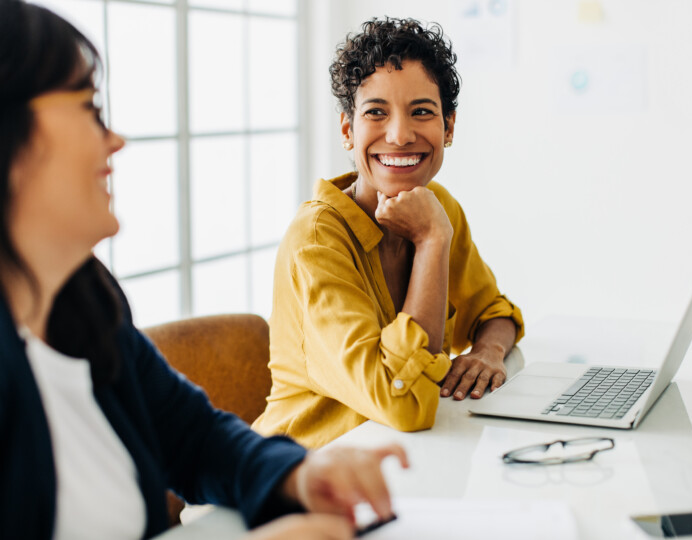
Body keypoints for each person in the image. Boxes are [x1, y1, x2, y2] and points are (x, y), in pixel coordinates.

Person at [0, 2, 407, 539]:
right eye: (90, 109)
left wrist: (300, 474)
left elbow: (192, 439)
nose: (115, 140)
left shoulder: (84, 300)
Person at [252, 17, 525, 448]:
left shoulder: (440, 206)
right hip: (303, 474)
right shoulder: (318, 239)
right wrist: (432, 241)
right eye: (376, 112)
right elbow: (403, 403)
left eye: (422, 112)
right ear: (348, 130)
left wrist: (486, 352)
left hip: (400, 462)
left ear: (448, 128)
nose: (399, 135)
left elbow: (494, 312)